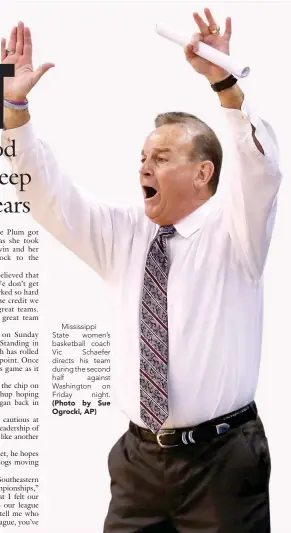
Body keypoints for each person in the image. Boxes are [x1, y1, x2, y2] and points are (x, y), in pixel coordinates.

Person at [1, 7, 281, 533]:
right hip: (138, 463)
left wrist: (223, 81)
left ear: (203, 173)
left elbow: (260, 168)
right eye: (142, 157)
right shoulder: (123, 233)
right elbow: (45, 196)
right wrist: (15, 108)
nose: (144, 167)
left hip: (222, 465)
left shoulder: (237, 232)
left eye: (162, 156)